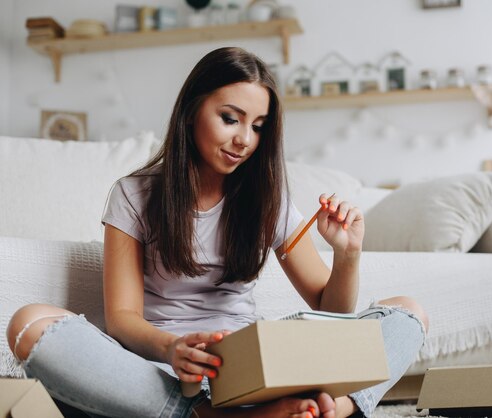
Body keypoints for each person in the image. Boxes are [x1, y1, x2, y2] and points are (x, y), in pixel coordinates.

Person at [7, 47, 428, 418]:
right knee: (30, 325)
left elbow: (333, 317)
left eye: (258, 126)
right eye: (230, 119)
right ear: (192, 111)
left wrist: (347, 254)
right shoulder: (133, 195)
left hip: (253, 365)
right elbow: (122, 319)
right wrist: (172, 349)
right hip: (165, 370)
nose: (244, 139)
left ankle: (337, 409)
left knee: (409, 312)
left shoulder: (269, 198)